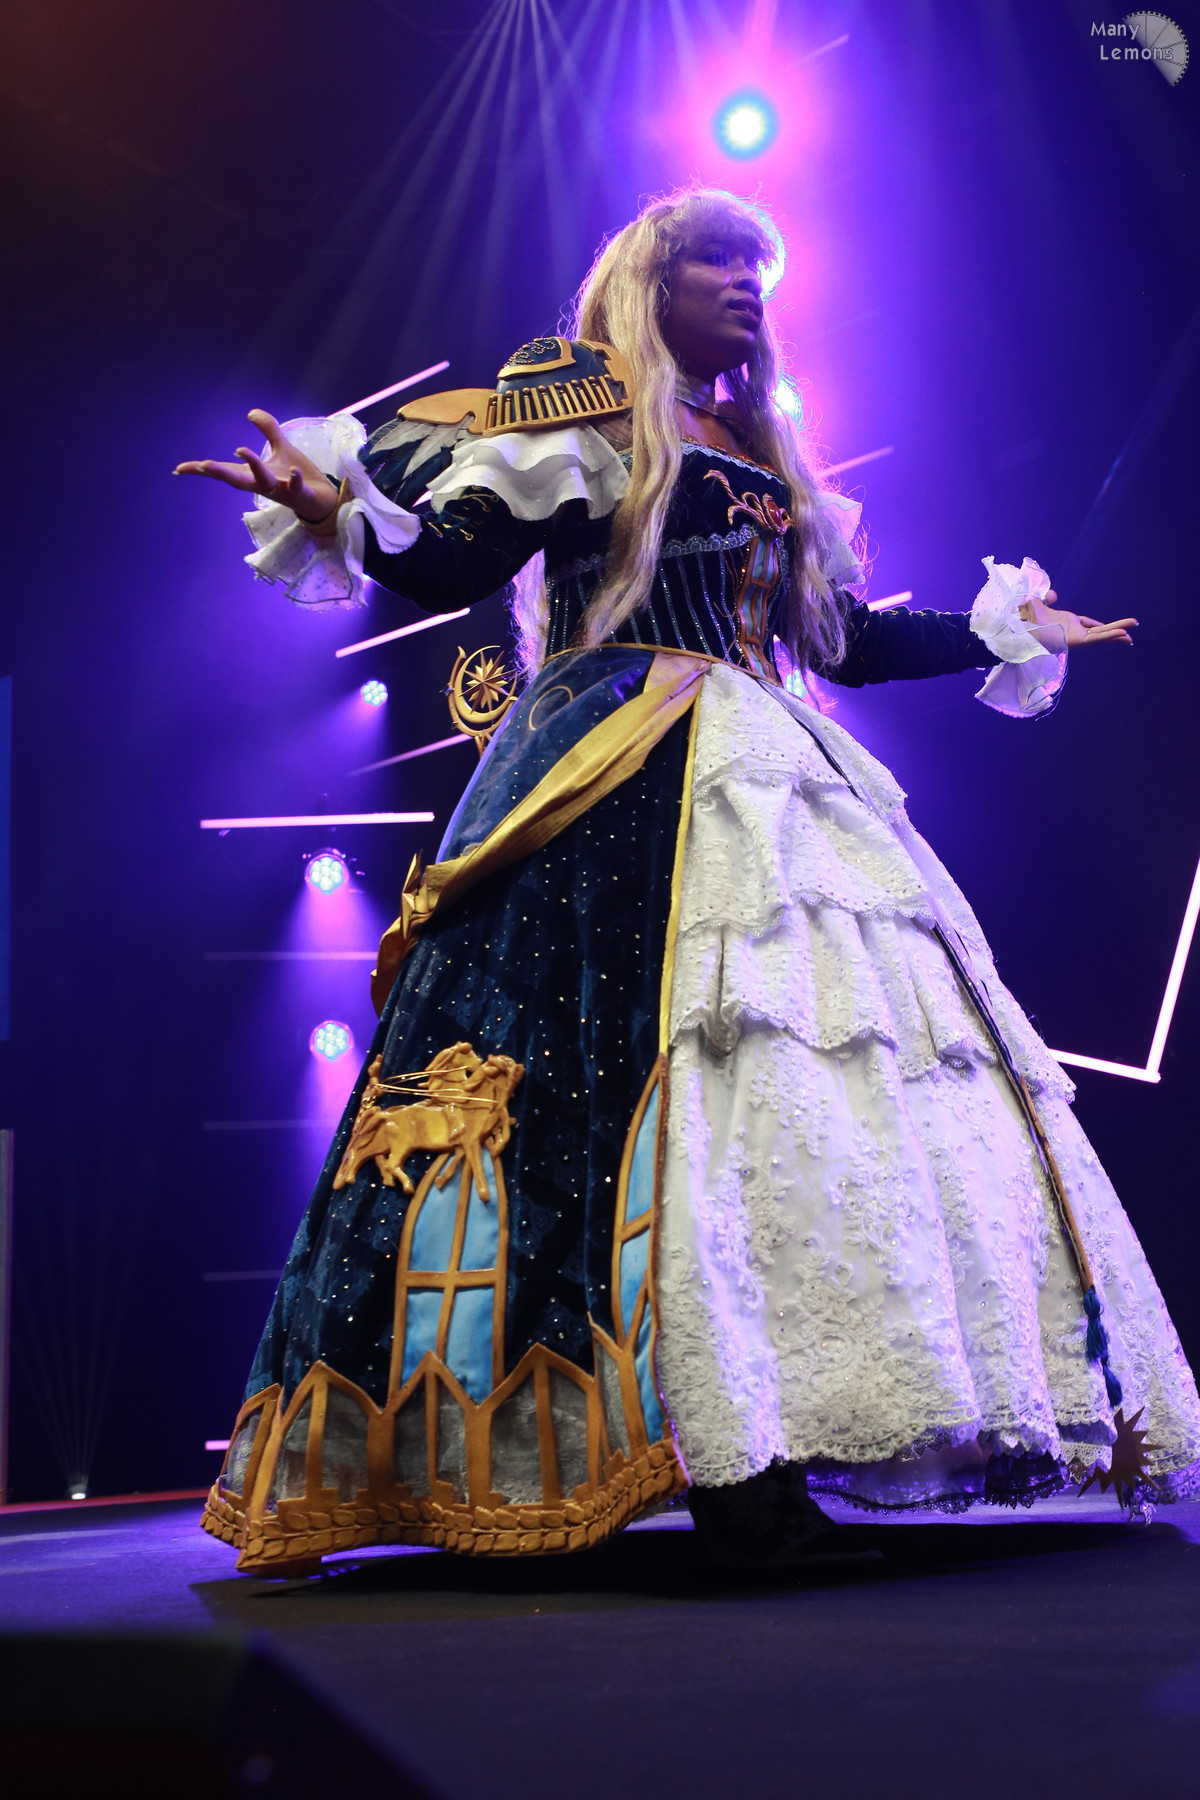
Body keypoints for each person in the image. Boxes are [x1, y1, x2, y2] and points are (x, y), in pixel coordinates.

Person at [178, 188, 1200, 1577]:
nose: (745, 280)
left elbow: (837, 643)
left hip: (769, 764)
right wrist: (340, 518)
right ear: (648, 283)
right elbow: (469, 553)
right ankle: (705, 1472)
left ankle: (777, 1431)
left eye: (758, 263)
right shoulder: (589, 411)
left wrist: (998, 631)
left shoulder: (763, 449)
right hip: (615, 764)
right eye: (715, 258)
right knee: (630, 1087)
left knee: (796, 1098)